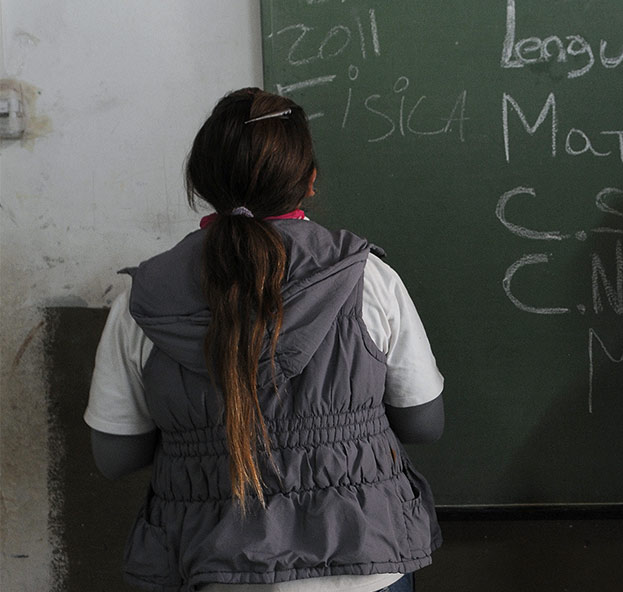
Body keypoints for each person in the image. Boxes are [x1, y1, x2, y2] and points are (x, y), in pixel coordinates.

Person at [85, 88, 444, 592]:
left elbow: (114, 458)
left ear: (200, 182)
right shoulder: (368, 279)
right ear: (310, 181)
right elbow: (424, 423)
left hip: (210, 564)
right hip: (365, 560)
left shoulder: (140, 301)